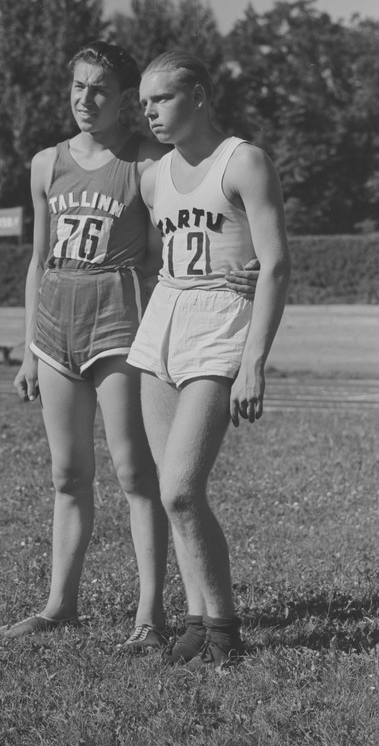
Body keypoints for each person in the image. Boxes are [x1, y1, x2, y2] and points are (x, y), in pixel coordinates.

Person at [0, 42, 259, 650]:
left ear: (123, 103)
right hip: (56, 320)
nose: (86, 100)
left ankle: (149, 618)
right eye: (77, 87)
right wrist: (29, 346)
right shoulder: (45, 163)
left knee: (137, 474)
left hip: (119, 318)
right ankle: (60, 606)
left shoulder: (145, 162)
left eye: (100, 91)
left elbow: (190, 219)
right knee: (67, 473)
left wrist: (238, 263)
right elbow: (36, 261)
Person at [127, 51, 291, 670]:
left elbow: (274, 264)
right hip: (162, 325)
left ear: (197, 94)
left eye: (161, 99)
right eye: (144, 103)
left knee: (179, 489)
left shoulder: (243, 160)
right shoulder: (154, 176)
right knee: (173, 494)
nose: (150, 112)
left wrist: (255, 360)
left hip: (221, 325)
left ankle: (225, 628)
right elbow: (161, 260)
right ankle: (196, 620)